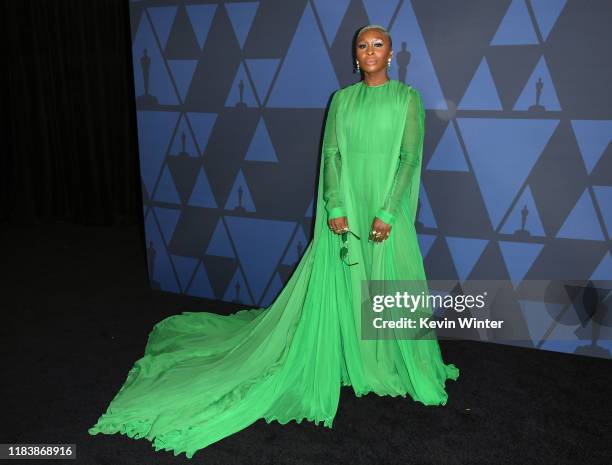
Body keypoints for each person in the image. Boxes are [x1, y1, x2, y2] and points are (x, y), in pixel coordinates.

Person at [88, 24, 459, 459]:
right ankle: (346, 353)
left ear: (391, 55)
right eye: (363, 45)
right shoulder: (341, 100)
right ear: (354, 56)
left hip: (383, 208)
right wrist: (335, 206)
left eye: (379, 45)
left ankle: (389, 361)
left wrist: (389, 212)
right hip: (346, 208)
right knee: (344, 282)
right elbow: (332, 156)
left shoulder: (406, 100)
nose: (371, 51)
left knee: (390, 283)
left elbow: (409, 159)